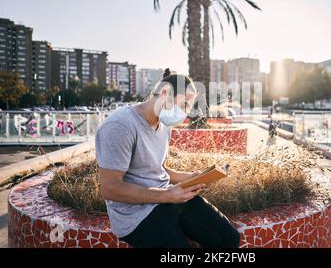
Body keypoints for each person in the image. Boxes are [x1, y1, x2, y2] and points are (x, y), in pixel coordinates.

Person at [95, 73, 240, 248]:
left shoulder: (164, 125)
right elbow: (111, 189)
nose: (185, 113)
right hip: (135, 216)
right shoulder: (120, 126)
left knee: (228, 239)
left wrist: (192, 177)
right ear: (165, 93)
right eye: (184, 104)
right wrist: (166, 196)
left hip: (167, 199)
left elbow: (159, 168)